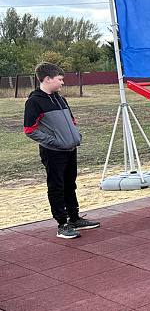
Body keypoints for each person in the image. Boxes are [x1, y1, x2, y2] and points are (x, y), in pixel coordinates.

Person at [23, 62, 99, 239]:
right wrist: (55, 142)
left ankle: (74, 218)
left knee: (70, 184)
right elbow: (30, 130)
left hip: (70, 149)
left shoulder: (60, 98)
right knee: (56, 186)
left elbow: (71, 120)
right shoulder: (34, 101)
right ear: (47, 79)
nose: (62, 83)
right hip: (53, 152)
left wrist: (75, 136)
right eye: (59, 79)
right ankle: (62, 223)